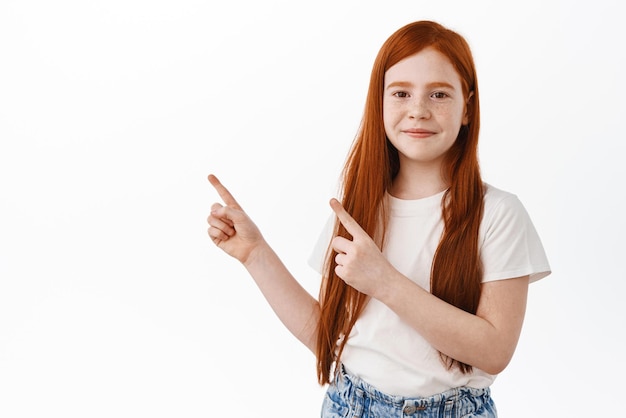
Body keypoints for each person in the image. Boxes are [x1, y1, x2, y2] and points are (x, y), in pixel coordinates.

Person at [207, 20, 550, 418]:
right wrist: (254, 254)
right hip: (348, 405)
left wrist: (384, 281)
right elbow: (328, 337)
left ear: (467, 107)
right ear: (380, 103)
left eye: (439, 94)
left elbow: (495, 352)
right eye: (401, 93)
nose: (418, 110)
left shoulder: (499, 214)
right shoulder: (360, 208)